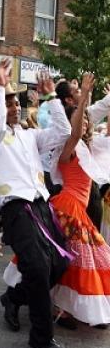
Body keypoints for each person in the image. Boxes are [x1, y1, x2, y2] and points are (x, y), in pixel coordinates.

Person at [0, 59, 72, 348]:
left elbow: (63, 131)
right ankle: (41, 338)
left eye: (14, 100)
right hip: (16, 210)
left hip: (41, 206)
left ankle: (14, 297)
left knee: (59, 262)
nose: (13, 106)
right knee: (38, 267)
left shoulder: (30, 135)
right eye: (7, 101)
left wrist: (51, 97)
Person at [51, 73, 110, 328]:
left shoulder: (89, 147)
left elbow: (93, 122)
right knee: (80, 259)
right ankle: (62, 309)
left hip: (79, 208)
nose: (85, 124)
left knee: (76, 261)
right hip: (68, 208)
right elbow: (75, 132)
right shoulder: (68, 147)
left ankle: (68, 308)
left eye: (86, 121)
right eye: (80, 120)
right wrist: (84, 95)